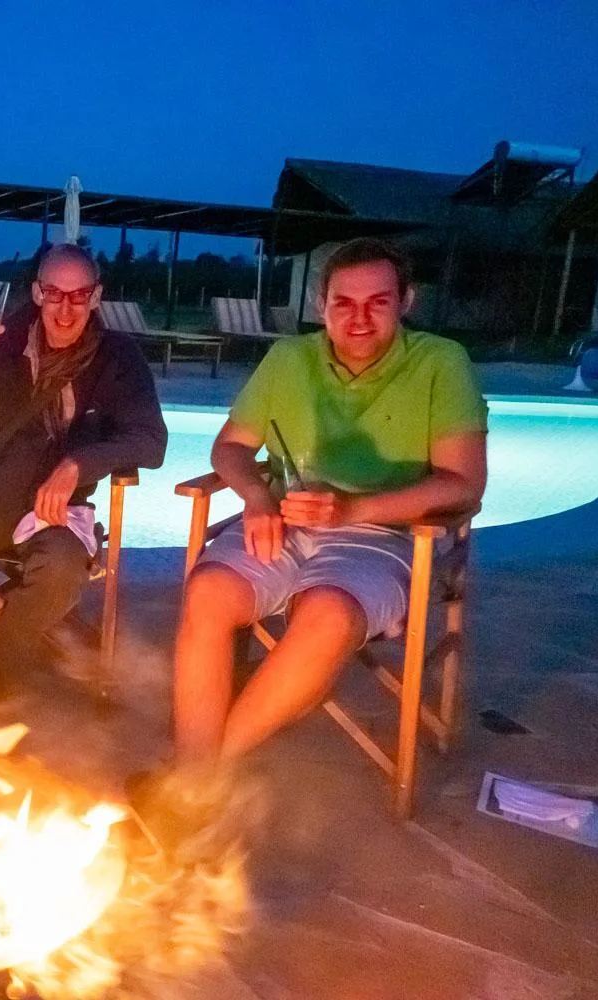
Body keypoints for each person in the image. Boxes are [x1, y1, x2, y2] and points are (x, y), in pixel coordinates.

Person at [171, 238, 487, 763]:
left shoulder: (440, 363)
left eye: (377, 302)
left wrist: (351, 510)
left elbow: (463, 483)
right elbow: (230, 447)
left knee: (328, 615)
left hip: (383, 532)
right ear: (322, 305)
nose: (359, 318)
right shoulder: (289, 358)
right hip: (281, 520)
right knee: (207, 594)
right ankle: (194, 769)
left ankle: (200, 777)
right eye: (344, 303)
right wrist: (254, 495)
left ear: (405, 301)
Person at [0, 243, 167, 705]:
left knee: (63, 569)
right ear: (37, 291)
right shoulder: (0, 342)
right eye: (54, 293)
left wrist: (77, 464)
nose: (65, 309)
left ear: (96, 297)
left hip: (59, 515)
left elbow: (150, 440)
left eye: (78, 295)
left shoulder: (117, 358)